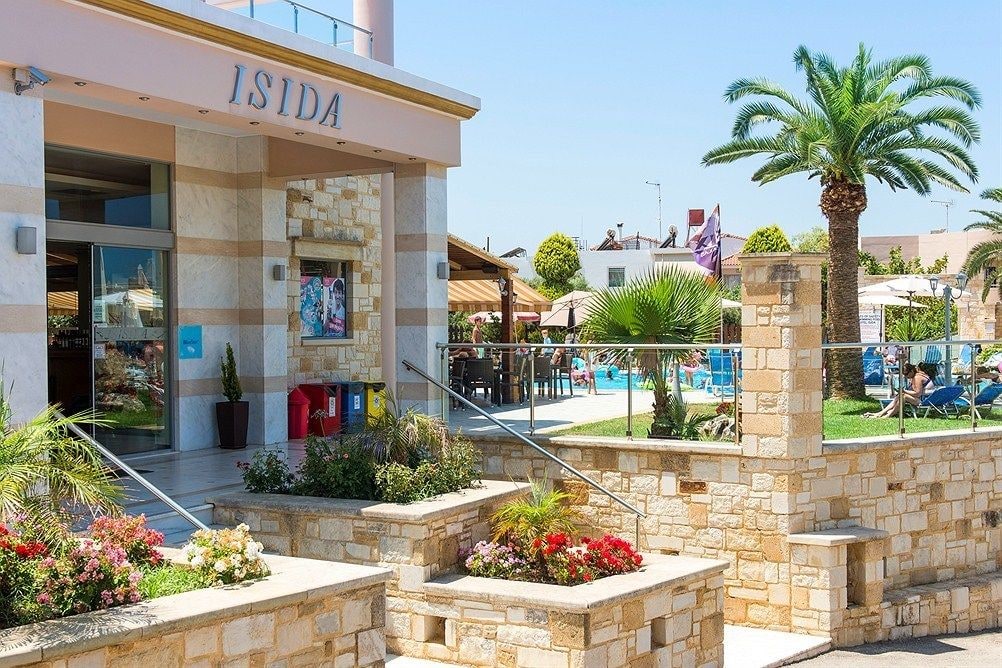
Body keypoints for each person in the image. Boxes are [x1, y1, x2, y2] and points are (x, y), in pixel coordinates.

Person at [865, 363, 930, 418]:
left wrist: (904, 391)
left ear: (912, 371)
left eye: (906, 374)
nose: (906, 376)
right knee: (901, 395)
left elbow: (918, 393)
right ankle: (880, 413)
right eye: (904, 374)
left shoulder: (917, 377)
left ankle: (888, 415)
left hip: (924, 401)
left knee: (903, 396)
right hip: (923, 399)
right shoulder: (917, 375)